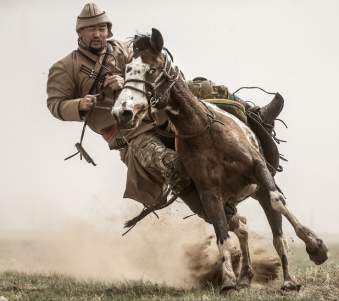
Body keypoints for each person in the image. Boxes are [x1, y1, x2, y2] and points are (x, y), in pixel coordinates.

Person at [47, 3, 283, 208]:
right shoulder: (65, 67)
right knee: (172, 166)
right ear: (80, 32)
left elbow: (144, 73)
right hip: (129, 133)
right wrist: (80, 104)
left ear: (108, 29)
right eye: (90, 29)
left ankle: (258, 116)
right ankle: (216, 211)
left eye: (101, 28)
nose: (97, 34)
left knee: (210, 88)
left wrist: (125, 82)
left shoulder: (124, 49)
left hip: (156, 108)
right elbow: (55, 104)